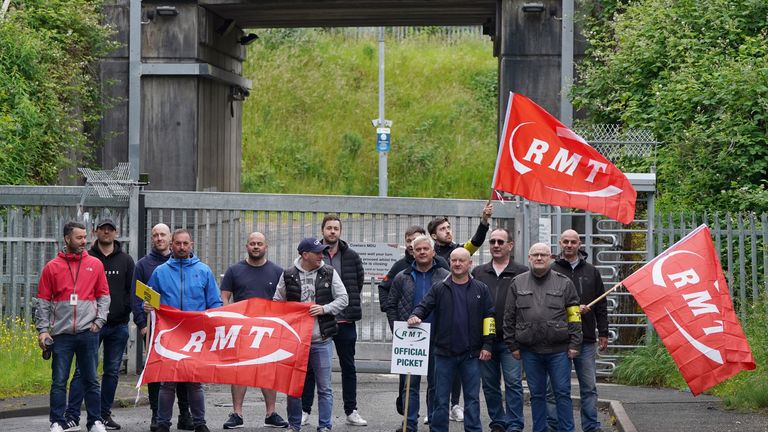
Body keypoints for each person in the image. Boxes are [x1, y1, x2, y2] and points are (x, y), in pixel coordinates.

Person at [407, 248, 494, 432]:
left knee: (472, 399)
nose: (457, 264)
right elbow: (423, 306)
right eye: (454, 260)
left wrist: (487, 344)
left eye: (462, 260)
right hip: (443, 354)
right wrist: (415, 315)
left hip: (471, 354)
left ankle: (473, 429)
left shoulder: (481, 289)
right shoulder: (439, 287)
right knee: (440, 399)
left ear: (470, 263)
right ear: (450, 263)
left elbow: (489, 318)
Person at [144, 229, 223, 432]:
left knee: (194, 383)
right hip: (169, 334)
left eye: (185, 243)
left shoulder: (204, 270)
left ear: (191, 244)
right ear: (171, 245)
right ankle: (163, 423)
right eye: (177, 243)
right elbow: (150, 300)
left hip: (195, 335)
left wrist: (213, 323)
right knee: (167, 383)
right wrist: (148, 307)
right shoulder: (160, 272)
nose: (181, 247)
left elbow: (214, 302)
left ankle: (200, 423)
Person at [36, 221, 111, 432]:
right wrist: (43, 331)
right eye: (79, 238)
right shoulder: (52, 267)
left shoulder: (95, 264)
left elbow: (104, 296)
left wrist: (99, 321)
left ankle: (95, 421)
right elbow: (43, 301)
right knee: (59, 381)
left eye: (85, 237)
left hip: (89, 332)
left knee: (91, 380)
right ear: (67, 239)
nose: (84, 241)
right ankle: (57, 422)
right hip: (61, 335)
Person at [503, 243, 582, 432]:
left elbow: (574, 315)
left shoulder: (564, 283)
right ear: (529, 258)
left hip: (559, 351)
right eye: (535, 255)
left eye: (543, 255)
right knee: (536, 395)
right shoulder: (517, 282)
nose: (539, 258)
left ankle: (567, 430)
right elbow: (508, 316)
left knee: (562, 394)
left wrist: (575, 343)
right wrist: (512, 345)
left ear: (551, 258)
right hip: (530, 351)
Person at [65, 219, 135, 431]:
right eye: (103, 228)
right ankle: (72, 415)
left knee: (112, 372)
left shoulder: (126, 260)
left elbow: (131, 291)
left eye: (110, 229)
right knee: (82, 371)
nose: (106, 232)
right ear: (96, 232)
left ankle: (103, 415)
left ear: (116, 232)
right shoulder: (86, 257)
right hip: (91, 326)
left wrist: (125, 311)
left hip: (118, 325)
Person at [273, 237, 349, 432]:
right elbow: (276, 303)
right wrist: (290, 315)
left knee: (325, 388)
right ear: (305, 254)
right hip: (296, 342)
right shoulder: (288, 274)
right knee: (294, 387)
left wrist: (324, 309)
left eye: (322, 251)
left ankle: (324, 426)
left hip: (321, 340)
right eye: (317, 252)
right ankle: (294, 425)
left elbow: (344, 299)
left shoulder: (329, 272)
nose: (321, 255)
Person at [426, 202, 493, 421]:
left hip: (461, 319)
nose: (448, 231)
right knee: (435, 371)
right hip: (435, 314)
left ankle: (455, 404)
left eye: (448, 227)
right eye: (443, 229)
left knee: (457, 364)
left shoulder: (459, 249)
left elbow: (476, 242)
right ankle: (433, 411)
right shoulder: (429, 253)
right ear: (434, 236)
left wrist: (484, 221)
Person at [302, 215, 367, 426]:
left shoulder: (352, 256)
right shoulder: (314, 255)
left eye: (336, 228)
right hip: (319, 322)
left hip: (345, 321)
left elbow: (357, 282)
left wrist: (343, 308)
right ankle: (305, 410)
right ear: (322, 231)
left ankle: (351, 410)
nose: (332, 231)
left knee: (348, 366)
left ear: (340, 231)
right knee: (311, 368)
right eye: (329, 228)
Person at [220, 232, 289, 430]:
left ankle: (271, 413)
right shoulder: (234, 270)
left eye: (259, 243)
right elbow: (225, 297)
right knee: (240, 371)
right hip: (241, 330)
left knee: (267, 371)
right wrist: (228, 319)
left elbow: (285, 300)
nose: (256, 246)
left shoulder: (277, 271)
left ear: (266, 246)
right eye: (252, 243)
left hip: (268, 331)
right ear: (246, 246)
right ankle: (237, 414)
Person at [131, 223, 194, 432]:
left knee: (183, 373)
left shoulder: (187, 263)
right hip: (155, 330)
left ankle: (185, 414)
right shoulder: (143, 265)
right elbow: (137, 297)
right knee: (157, 373)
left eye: (163, 235)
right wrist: (142, 325)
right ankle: (157, 416)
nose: (159, 238)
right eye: (155, 235)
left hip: (184, 330)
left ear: (171, 238)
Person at [385, 235, 449, 431]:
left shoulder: (445, 276)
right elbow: (391, 305)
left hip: (437, 339)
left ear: (433, 252)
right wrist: (398, 331)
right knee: (409, 386)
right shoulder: (402, 276)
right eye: (418, 249)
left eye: (425, 249)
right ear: (412, 252)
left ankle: (434, 423)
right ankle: (409, 424)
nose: (422, 252)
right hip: (411, 342)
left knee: (436, 386)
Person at [548, 230, 609, 432]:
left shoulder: (592, 271)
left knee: (589, 387)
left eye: (573, 242)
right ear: (560, 243)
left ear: (579, 244)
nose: (569, 245)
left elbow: (601, 303)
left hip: (586, 337)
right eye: (565, 241)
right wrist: (572, 309)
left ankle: (591, 426)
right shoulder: (551, 270)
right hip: (559, 337)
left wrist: (603, 332)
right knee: (556, 387)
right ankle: (555, 425)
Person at [471, 228, 527, 432]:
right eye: (492, 241)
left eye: (500, 242)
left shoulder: (522, 272)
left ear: (510, 245)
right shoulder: (479, 272)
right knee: (489, 384)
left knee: (513, 383)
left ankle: (514, 423)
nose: (496, 245)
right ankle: (497, 422)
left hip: (511, 340)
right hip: (485, 340)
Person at [378, 225, 449, 313]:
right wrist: (390, 309)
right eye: (408, 241)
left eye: (415, 239)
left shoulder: (440, 263)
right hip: (409, 323)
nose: (411, 244)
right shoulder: (399, 265)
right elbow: (383, 287)